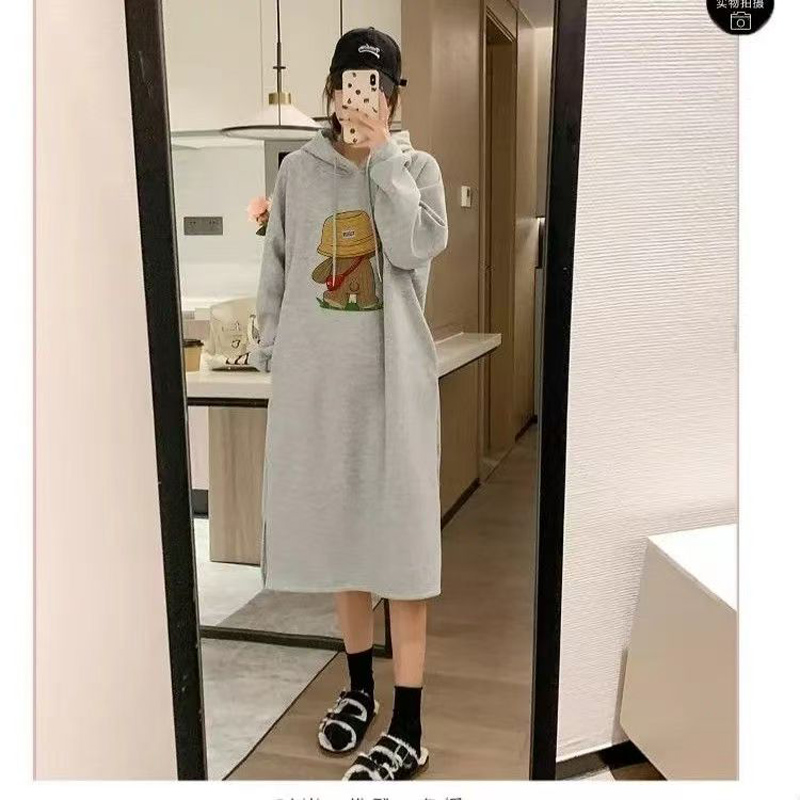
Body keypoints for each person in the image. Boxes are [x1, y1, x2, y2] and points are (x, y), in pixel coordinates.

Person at [249, 27, 448, 781]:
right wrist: (275, 354)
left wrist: (384, 155)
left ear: (392, 96)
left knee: (402, 553)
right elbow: (277, 270)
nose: (360, 100)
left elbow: (411, 248)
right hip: (322, 392)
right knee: (344, 544)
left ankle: (410, 725)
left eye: (375, 88)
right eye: (349, 86)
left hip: (395, 392)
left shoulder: (417, 169)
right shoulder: (298, 173)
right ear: (331, 90)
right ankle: (359, 688)